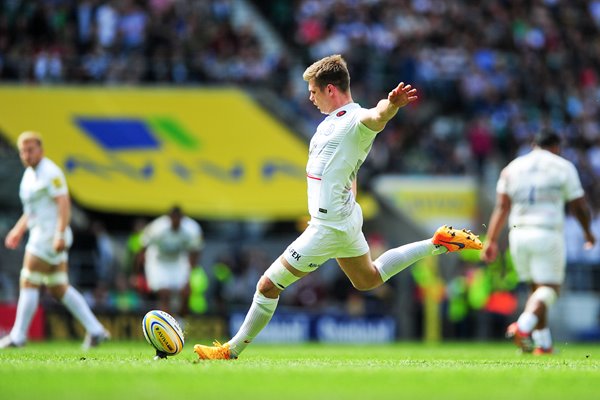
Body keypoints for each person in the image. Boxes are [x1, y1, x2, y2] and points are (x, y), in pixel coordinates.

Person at [193, 54, 483, 360]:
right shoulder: (328, 126)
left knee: (267, 286)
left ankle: (230, 350)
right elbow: (347, 170)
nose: (310, 96)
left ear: (331, 89)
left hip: (330, 227)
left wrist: (392, 105)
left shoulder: (355, 120)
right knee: (368, 279)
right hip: (342, 217)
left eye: (314, 91)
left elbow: (377, 117)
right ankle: (436, 243)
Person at [481, 129, 596, 354]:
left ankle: (542, 344)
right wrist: (588, 233)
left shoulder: (512, 168)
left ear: (534, 144)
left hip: (518, 234)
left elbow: (502, 207)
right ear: (556, 146)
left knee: (536, 290)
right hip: (547, 231)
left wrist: (491, 240)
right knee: (551, 289)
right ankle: (523, 327)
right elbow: (579, 206)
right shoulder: (562, 166)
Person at [1, 131, 109, 349]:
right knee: (59, 287)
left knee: (28, 281)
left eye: (30, 150)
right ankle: (96, 330)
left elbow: (63, 203)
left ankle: (18, 336)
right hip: (43, 234)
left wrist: (59, 234)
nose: (26, 154)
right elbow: (32, 210)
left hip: (48, 236)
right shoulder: (30, 175)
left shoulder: (50, 171)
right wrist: (18, 229)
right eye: (23, 151)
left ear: (41, 150)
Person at [138, 206, 203, 317]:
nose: (176, 221)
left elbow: (195, 251)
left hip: (178, 261)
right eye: (173, 218)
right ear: (169, 218)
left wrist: (190, 274)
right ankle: (166, 325)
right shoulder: (157, 228)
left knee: (185, 293)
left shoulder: (191, 229)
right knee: (164, 294)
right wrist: (137, 273)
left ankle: (181, 323)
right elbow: (143, 247)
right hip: (158, 261)